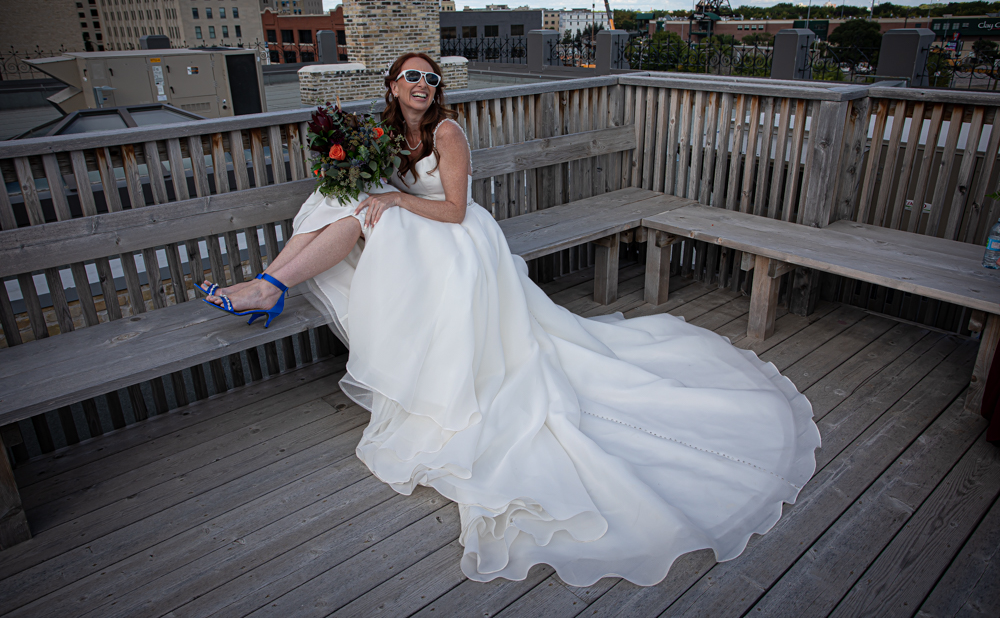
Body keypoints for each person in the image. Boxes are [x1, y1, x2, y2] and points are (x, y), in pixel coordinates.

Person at [204, 52, 821, 587]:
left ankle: (268, 287)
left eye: (431, 79)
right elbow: (372, 188)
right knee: (336, 199)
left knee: (360, 213)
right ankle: (268, 284)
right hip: (418, 228)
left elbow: (452, 209)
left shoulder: (448, 133)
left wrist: (393, 199)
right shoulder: (386, 134)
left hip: (455, 237)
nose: (422, 85)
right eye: (411, 77)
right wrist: (365, 181)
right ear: (393, 86)